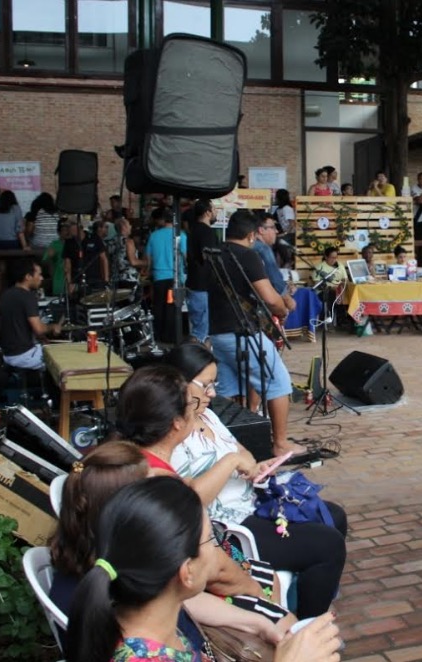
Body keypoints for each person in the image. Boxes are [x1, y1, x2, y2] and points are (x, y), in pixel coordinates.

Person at [167, 343, 349, 619]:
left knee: (334, 516)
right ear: (179, 383)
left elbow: (241, 451)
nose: (212, 393)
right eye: (205, 386)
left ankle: (309, 595)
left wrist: (254, 467)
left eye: (214, 384)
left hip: (252, 501)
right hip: (228, 526)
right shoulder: (174, 431)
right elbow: (190, 499)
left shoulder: (207, 414)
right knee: (328, 545)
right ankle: (307, 627)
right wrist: (229, 463)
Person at [63, 476, 289, 662]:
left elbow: (193, 603)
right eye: (209, 539)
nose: (216, 548)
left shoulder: (140, 606)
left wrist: (259, 624)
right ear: (186, 572)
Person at [208, 211, 305, 457]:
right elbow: (270, 299)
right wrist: (283, 308)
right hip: (242, 331)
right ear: (252, 234)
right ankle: (280, 443)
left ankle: (229, 445)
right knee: (279, 383)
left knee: (229, 388)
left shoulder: (214, 252)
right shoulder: (247, 255)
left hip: (218, 331)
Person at [0, 258, 62, 369]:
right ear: (28, 277)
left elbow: (19, 325)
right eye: (39, 274)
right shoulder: (28, 297)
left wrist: (42, 338)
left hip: (7, 354)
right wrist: (53, 327)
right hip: (24, 355)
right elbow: (39, 329)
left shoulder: (6, 294)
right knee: (64, 358)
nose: (41, 278)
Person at [145, 210, 187, 344]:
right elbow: (186, 257)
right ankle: (171, 338)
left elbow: (148, 260)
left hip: (158, 278)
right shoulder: (180, 235)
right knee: (173, 308)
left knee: (158, 307)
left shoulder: (154, 236)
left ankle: (158, 336)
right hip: (175, 278)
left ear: (164, 220)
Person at [185, 199, 219, 344]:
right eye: (214, 209)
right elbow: (209, 258)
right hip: (202, 286)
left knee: (201, 328)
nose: (216, 212)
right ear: (207, 212)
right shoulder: (206, 232)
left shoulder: (194, 230)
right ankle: (196, 361)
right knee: (201, 331)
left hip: (195, 283)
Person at [253, 213, 296, 314]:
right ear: (261, 230)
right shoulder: (263, 249)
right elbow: (275, 281)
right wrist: (289, 302)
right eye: (272, 227)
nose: (276, 231)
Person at [43, 220, 74, 298]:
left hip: (74, 280)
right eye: (64, 230)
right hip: (60, 280)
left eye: (68, 229)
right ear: (59, 232)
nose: (67, 232)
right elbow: (45, 260)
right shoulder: (55, 244)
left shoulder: (76, 243)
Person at [273, 189, 296, 267]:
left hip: (290, 234)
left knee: (279, 241)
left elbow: (292, 224)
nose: (275, 199)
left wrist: (284, 233)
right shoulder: (279, 209)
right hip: (284, 233)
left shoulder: (287, 208)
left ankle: (288, 261)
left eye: (276, 197)